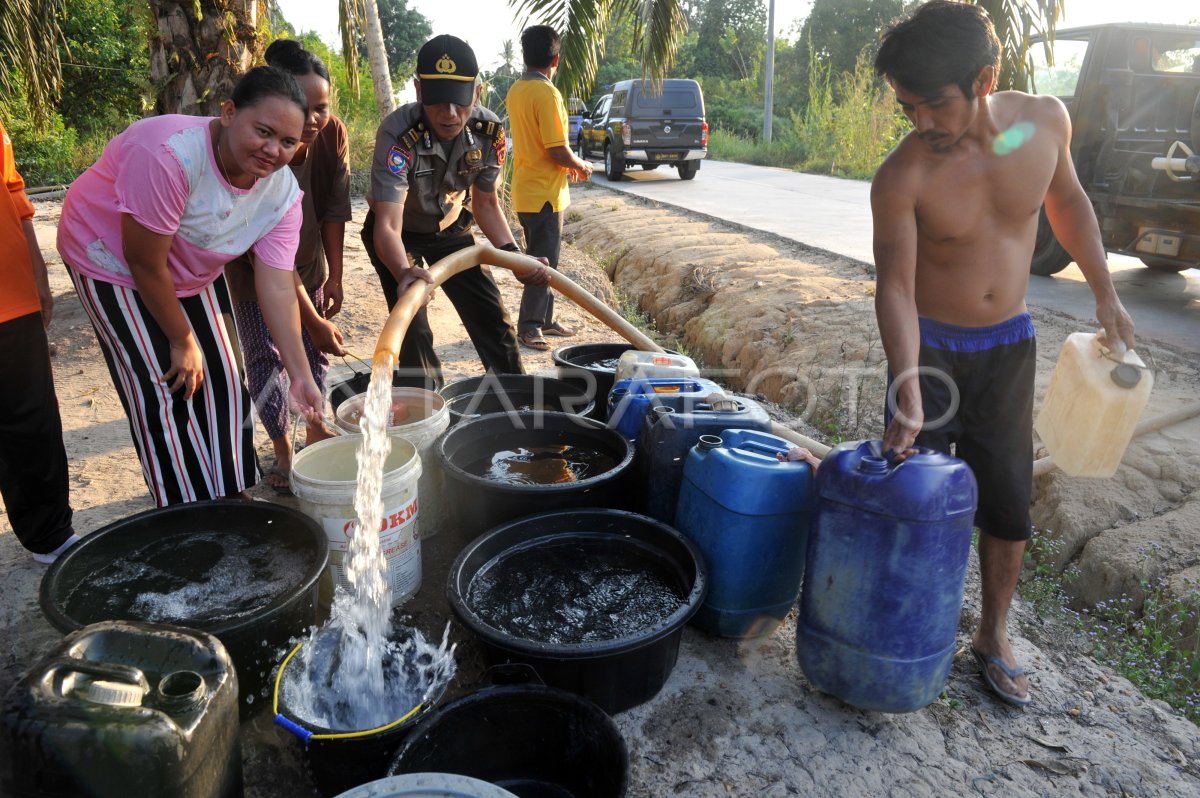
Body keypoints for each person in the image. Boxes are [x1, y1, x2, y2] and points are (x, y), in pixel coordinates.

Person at [871, 1, 1135, 708]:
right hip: (928, 349)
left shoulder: (1044, 124)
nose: (921, 123)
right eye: (908, 108)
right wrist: (908, 384)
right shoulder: (903, 176)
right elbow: (894, 288)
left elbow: (1070, 204)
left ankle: (992, 635)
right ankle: (903, 625)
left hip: (1009, 349)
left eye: (933, 105)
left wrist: (1106, 293)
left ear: (984, 78)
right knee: (911, 498)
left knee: (1009, 504)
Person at [57, 66, 324, 507]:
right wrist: (182, 339)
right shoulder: (168, 154)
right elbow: (144, 262)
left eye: (288, 142)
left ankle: (231, 495)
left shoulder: (282, 196)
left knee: (224, 382)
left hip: (189, 263)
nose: (273, 151)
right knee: (169, 384)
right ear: (228, 112)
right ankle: (188, 511)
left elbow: (276, 287)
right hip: (110, 256)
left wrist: (299, 375)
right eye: (263, 131)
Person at [361, 33, 548, 390]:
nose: (449, 114)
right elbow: (386, 223)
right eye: (437, 102)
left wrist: (515, 258)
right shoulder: (397, 135)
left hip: (452, 231)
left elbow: (486, 202)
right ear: (418, 92)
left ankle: (517, 404)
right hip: (399, 236)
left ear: (476, 93)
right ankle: (427, 417)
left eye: (460, 102)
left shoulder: (490, 132)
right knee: (412, 326)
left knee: (493, 318)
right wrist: (403, 271)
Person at [225, 40, 350, 493]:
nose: (311, 120)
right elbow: (267, 256)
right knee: (265, 355)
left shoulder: (330, 134)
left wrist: (333, 275)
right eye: (303, 106)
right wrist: (313, 321)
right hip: (253, 271)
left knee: (310, 354)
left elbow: (335, 207)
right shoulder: (261, 153)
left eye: (320, 107)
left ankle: (315, 431)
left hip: (308, 263)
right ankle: (282, 449)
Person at [0, 118, 80, 563]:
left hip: (8, 292)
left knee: (32, 417)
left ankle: (50, 535)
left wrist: (37, 268)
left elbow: (13, 193)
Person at [506, 24, 593, 352]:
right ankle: (529, 327)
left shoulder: (516, 90)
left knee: (546, 260)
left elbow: (538, 144)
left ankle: (545, 319)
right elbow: (557, 148)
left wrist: (565, 165)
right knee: (543, 264)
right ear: (555, 59)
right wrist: (581, 165)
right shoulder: (548, 93)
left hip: (527, 189)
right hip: (545, 194)